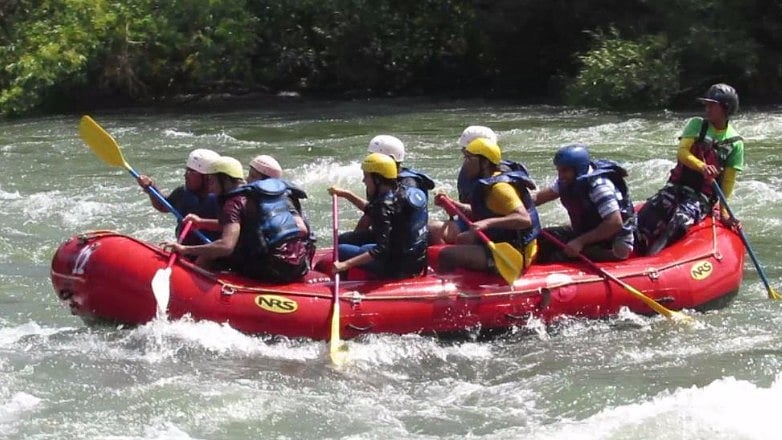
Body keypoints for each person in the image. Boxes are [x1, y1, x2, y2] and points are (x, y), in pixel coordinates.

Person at [636, 83, 744, 255]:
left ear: (726, 108)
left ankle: (652, 258)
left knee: (679, 222)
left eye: (712, 105)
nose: (707, 108)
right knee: (650, 212)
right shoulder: (697, 124)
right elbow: (683, 153)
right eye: (706, 104)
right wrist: (702, 167)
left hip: (701, 196)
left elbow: (729, 180)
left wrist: (723, 212)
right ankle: (631, 248)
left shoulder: (735, 143)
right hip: (676, 186)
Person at [165, 156, 311, 283]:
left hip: (271, 270)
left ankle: (188, 286)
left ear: (224, 180)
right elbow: (243, 225)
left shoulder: (233, 203)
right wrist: (202, 223)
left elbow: (225, 247)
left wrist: (185, 249)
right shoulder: (267, 195)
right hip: (299, 265)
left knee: (210, 253)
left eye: (212, 181)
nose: (210, 187)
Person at [436, 138, 540, 274]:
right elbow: (486, 211)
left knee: (446, 255)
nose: (465, 164)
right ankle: (471, 278)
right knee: (463, 238)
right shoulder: (486, 182)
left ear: (484, 163)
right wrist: (454, 205)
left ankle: (446, 285)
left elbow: (524, 219)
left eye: (469, 159)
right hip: (501, 241)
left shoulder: (500, 188)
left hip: (514, 252)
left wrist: (487, 223)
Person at [330, 153, 428, 279]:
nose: (363, 181)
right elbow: (371, 209)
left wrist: (345, 264)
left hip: (397, 267)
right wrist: (346, 194)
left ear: (377, 179)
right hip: (416, 259)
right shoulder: (402, 192)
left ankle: (343, 285)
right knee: (345, 238)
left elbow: (381, 250)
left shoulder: (383, 205)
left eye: (366, 177)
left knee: (341, 249)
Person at [533, 144, 636, 263]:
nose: (560, 175)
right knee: (543, 239)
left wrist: (579, 242)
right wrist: (519, 203)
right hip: (590, 233)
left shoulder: (599, 187)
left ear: (578, 168)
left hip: (613, 245)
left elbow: (614, 223)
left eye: (564, 170)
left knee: (559, 255)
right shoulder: (568, 179)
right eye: (558, 170)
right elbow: (543, 196)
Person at [332, 135, 434, 245]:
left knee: (344, 241)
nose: (370, 160)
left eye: (374, 156)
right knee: (345, 239)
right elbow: (371, 212)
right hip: (388, 232)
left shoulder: (406, 185)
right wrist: (347, 195)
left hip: (398, 240)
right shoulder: (379, 179)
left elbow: (375, 213)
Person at [136, 148, 221, 244]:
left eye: (191, 172)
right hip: (184, 248)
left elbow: (229, 227)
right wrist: (151, 187)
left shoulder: (221, 200)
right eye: (186, 170)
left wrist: (201, 223)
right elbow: (163, 206)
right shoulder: (183, 192)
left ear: (208, 177)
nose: (185, 175)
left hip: (208, 250)